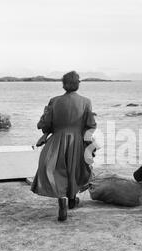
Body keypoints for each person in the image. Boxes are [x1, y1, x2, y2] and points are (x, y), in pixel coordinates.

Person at [31, 71, 97, 221]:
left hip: (57, 140)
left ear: (63, 84)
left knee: (56, 171)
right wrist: (89, 142)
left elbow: (47, 123)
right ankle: (72, 199)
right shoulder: (86, 101)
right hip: (78, 141)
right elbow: (91, 124)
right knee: (74, 170)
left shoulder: (54, 101)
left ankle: (62, 200)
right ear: (78, 84)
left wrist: (45, 134)